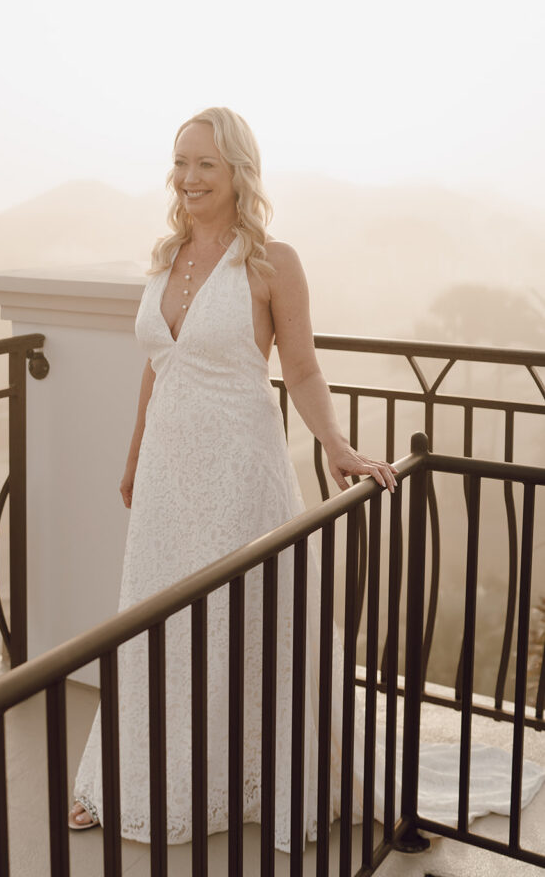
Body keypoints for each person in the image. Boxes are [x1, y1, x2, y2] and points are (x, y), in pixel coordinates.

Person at [67, 108, 542, 848]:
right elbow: (157, 368)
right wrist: (134, 455)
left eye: (206, 166)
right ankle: (134, 779)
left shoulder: (269, 262)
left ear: (237, 175)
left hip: (238, 470)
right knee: (154, 622)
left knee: (244, 622)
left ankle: (259, 776)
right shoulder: (164, 258)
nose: (188, 179)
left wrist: (336, 445)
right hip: (167, 474)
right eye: (180, 162)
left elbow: (302, 367)